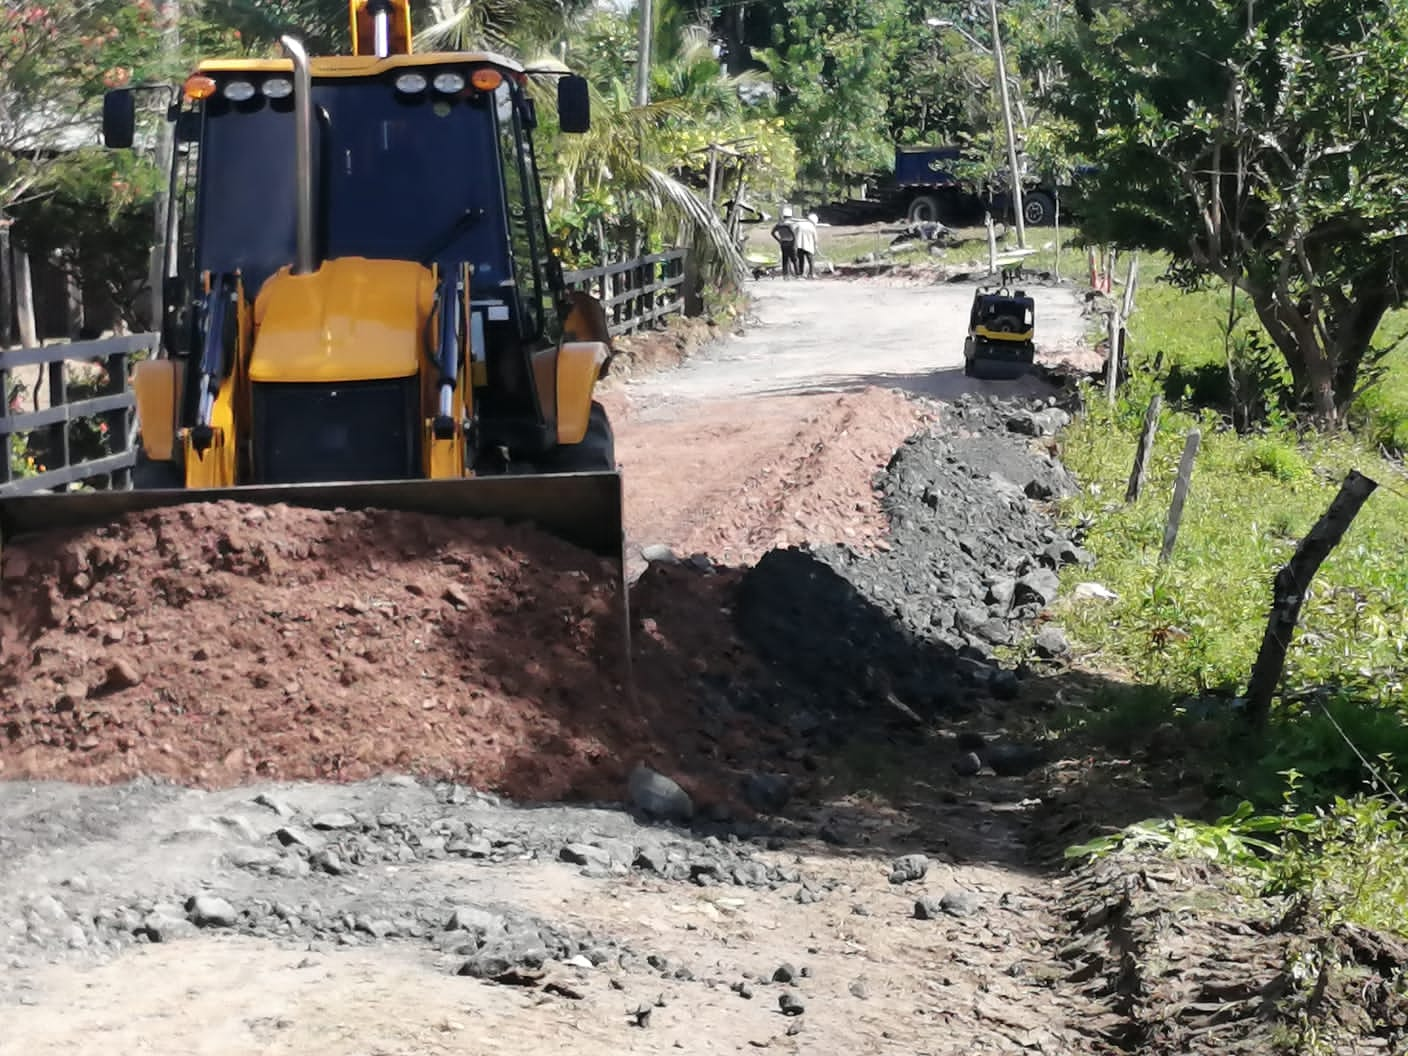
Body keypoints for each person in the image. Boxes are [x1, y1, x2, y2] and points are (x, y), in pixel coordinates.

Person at [770, 206, 798, 278]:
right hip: (791, 242)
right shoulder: (790, 224)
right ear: (790, 216)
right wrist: (794, 242)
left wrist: (778, 240)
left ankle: (785, 275)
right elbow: (793, 234)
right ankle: (797, 274)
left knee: (785, 259)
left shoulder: (779, 224)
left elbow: (772, 233)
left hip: (783, 242)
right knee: (794, 259)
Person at [794, 212, 819, 278]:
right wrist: (816, 245)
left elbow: (793, 232)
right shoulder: (812, 227)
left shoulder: (799, 224)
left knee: (801, 260)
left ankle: (801, 274)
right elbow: (815, 238)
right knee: (811, 261)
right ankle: (811, 274)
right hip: (809, 247)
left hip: (799, 245)